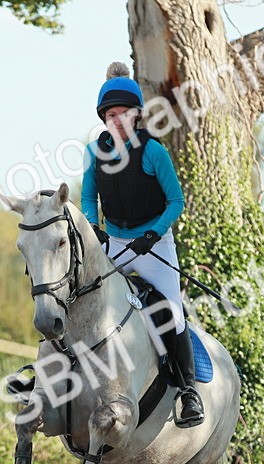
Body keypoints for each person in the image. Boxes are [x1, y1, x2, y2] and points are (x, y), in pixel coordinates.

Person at [80, 61, 204, 429]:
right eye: (111, 114)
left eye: (124, 113)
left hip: (154, 243)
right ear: (104, 117)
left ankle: (188, 391)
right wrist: (93, 227)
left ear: (137, 115)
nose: (117, 120)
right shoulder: (94, 152)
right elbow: (88, 196)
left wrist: (152, 236)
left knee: (172, 312)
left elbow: (176, 201)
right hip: (115, 240)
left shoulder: (153, 152)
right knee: (82, 294)